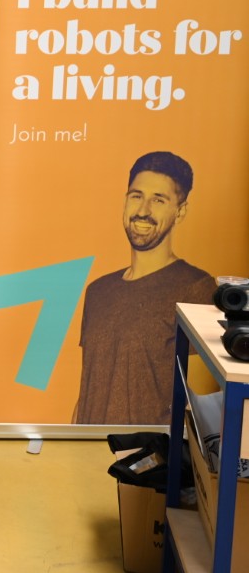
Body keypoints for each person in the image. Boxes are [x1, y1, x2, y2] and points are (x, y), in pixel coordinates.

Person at [75, 150, 216, 425]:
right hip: (88, 448)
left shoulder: (197, 288)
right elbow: (87, 393)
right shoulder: (97, 291)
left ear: (180, 211)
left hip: (149, 451)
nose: (142, 211)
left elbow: (200, 408)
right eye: (136, 196)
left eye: (158, 200)